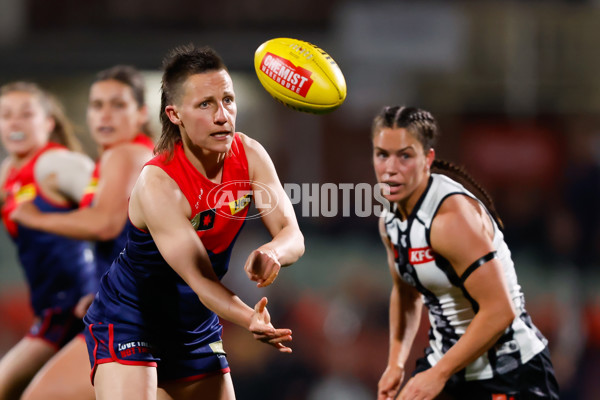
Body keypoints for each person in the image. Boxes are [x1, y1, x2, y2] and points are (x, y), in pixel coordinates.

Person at [82, 44, 305, 400]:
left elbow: (292, 233)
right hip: (131, 319)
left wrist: (275, 252)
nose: (223, 116)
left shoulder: (250, 155)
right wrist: (250, 318)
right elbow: (200, 279)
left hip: (194, 325)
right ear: (174, 114)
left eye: (228, 100)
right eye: (206, 104)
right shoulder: (159, 184)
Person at [373, 106, 559, 400]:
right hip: (448, 367)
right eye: (382, 154)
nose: (390, 167)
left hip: (509, 372)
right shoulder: (391, 219)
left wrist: (437, 374)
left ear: (427, 159)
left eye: (404, 156)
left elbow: (500, 310)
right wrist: (396, 362)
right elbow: (406, 292)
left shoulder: (452, 219)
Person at [11, 65, 156, 400]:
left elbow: (104, 223)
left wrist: (34, 217)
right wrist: (99, 289)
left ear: (140, 114)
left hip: (130, 314)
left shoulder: (126, 154)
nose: (105, 114)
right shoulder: (123, 157)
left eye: (118, 105)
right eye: (97, 105)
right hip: (128, 307)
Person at [0, 81, 96, 400]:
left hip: (78, 307)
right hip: (52, 309)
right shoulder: (9, 174)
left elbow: (119, 215)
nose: (15, 122)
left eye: (27, 114)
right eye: (6, 115)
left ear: (48, 122)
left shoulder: (56, 165)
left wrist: (106, 282)